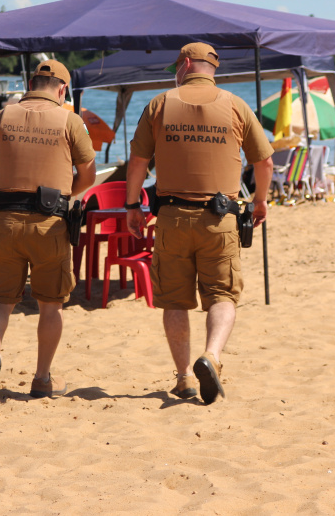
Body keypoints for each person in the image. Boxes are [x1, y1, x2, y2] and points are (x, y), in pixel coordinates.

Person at [124, 43, 274, 405]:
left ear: (186, 64)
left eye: (178, 64)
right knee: (222, 296)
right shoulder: (235, 105)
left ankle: (184, 377)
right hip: (219, 218)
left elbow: (138, 161)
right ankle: (212, 355)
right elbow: (265, 162)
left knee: (175, 302)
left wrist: (132, 205)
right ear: (211, 68)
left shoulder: (159, 104)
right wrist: (260, 201)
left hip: (172, 217)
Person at [0, 60, 96, 410]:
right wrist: (65, 192)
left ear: (30, 82)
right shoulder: (70, 120)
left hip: (6, 220)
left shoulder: (1, 116)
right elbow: (89, 174)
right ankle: (42, 379)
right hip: (50, 222)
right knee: (50, 303)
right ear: (62, 89)